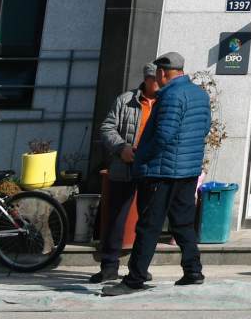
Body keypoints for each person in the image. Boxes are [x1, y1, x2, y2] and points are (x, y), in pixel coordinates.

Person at [117, 52, 211, 291]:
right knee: (183, 223)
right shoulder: (200, 94)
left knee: (149, 226)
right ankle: (193, 271)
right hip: (188, 171)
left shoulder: (170, 95)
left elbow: (164, 135)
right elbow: (204, 128)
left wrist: (142, 156)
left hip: (162, 171)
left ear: (162, 72)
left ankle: (134, 279)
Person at [89, 63, 160, 284]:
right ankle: (109, 267)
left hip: (151, 168)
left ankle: (138, 268)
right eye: (155, 80)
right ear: (147, 79)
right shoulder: (125, 100)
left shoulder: (165, 103)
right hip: (124, 165)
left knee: (147, 220)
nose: (160, 84)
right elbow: (107, 127)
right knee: (116, 218)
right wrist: (121, 148)